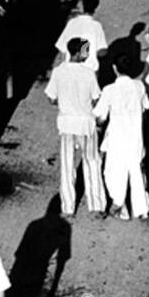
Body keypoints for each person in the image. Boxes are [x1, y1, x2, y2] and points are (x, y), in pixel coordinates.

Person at [45, 38, 105, 218]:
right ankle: (97, 206)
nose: (87, 54)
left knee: (67, 166)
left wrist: (64, 102)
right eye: (85, 50)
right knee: (92, 163)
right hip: (86, 124)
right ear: (77, 53)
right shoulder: (89, 73)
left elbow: (51, 98)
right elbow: (96, 98)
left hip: (67, 124)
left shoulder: (58, 72)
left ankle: (68, 208)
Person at [94, 52, 149, 221]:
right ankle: (143, 211)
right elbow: (146, 108)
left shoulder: (109, 90)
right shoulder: (139, 86)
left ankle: (118, 202)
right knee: (137, 174)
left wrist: (97, 121)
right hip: (135, 137)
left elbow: (101, 118)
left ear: (114, 69)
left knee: (112, 172)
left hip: (117, 138)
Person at [54, 0, 108, 72]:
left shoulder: (72, 23)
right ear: (96, 8)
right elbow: (102, 51)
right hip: (89, 69)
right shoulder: (96, 26)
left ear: (82, 5)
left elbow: (62, 48)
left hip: (70, 68)